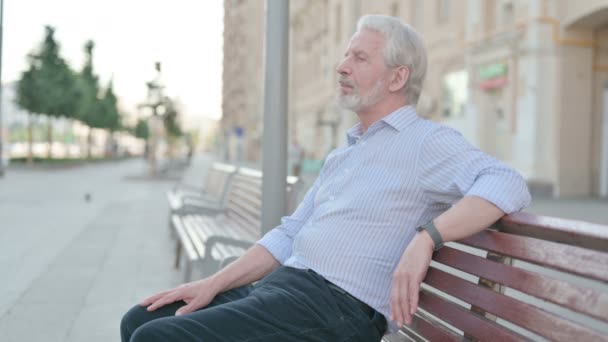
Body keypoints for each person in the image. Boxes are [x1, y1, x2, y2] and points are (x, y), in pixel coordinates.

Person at [121, 15, 530, 341]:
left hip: (338, 309)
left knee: (157, 338)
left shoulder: (426, 141)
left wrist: (428, 238)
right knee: (140, 319)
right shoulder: (345, 152)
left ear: (397, 78)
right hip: (284, 289)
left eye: (359, 58)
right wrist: (211, 283)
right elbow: (288, 234)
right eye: (345, 56)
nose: (342, 66)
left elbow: (506, 182)